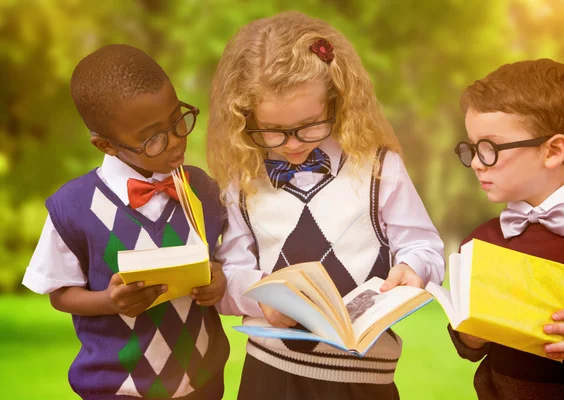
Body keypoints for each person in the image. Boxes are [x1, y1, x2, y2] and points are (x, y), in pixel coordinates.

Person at [207, 11, 445, 400]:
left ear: (337, 101)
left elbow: (425, 247)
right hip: (271, 373)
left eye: (311, 124)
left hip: (365, 377)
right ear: (244, 117)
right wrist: (263, 297)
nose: (293, 144)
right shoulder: (242, 179)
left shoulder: (380, 167)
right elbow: (230, 275)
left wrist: (413, 268)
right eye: (272, 131)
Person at [22, 44, 229, 399]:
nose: (177, 141)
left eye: (177, 120)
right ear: (105, 145)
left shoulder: (203, 190)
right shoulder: (73, 207)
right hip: (117, 389)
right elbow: (59, 293)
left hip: (203, 383)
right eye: (153, 139)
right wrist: (109, 302)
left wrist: (218, 279)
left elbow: (227, 258)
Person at [449, 58, 564, 399]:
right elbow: (471, 348)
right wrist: (469, 334)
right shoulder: (480, 241)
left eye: (489, 148)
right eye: (472, 148)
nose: (475, 162)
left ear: (553, 150)